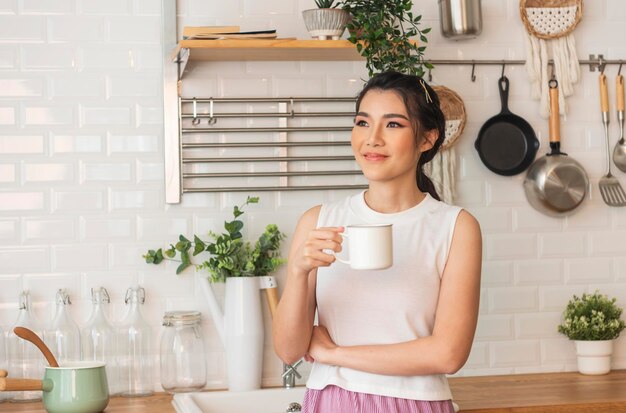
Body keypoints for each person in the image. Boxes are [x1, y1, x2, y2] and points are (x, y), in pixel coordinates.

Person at [273, 71, 482, 413]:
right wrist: (298, 272)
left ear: (427, 138)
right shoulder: (318, 221)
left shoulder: (455, 227)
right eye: (362, 123)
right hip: (331, 403)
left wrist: (335, 355)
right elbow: (288, 349)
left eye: (393, 124)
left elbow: (448, 354)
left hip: (415, 404)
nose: (372, 139)